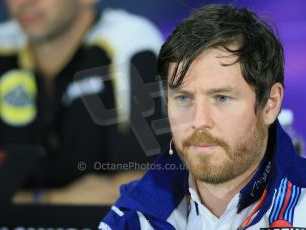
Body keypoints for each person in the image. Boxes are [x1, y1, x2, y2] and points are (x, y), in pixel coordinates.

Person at [99, 4, 306, 229]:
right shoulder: (133, 216)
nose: (198, 121)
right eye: (183, 98)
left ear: (270, 104)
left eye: (221, 98)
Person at [0, 0, 167, 200]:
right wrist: (48, 201)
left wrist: (24, 202)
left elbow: (149, 184)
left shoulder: (128, 42)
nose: (25, 2)